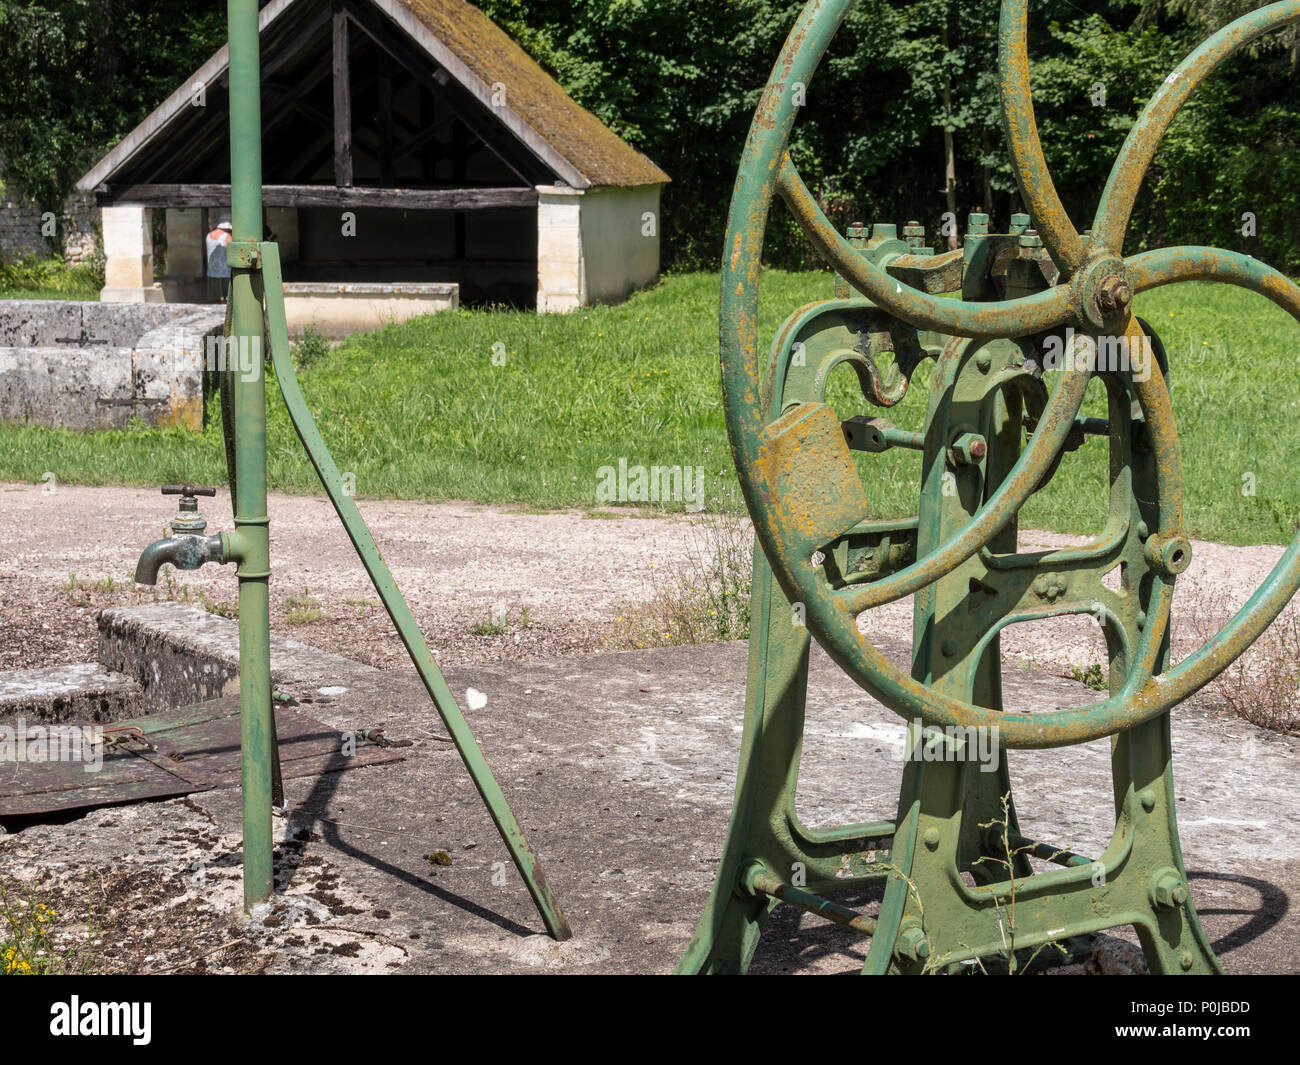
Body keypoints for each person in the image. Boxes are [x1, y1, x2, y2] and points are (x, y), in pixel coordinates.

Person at [205, 219, 233, 302]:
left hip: (211, 271)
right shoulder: (227, 236)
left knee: (215, 298)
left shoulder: (209, 235)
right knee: (226, 299)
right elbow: (232, 251)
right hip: (225, 273)